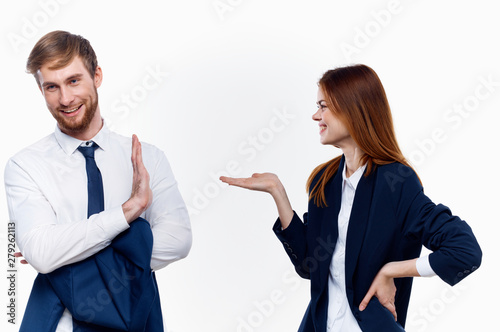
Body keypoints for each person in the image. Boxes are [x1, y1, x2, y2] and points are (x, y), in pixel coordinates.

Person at [220, 64, 482, 332]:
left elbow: (465, 252)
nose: (315, 115)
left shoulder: (396, 182)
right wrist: (278, 192)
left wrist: (390, 270)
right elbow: (309, 265)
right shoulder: (325, 180)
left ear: (353, 108)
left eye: (323, 106)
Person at [4, 30, 192, 331]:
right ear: (41, 91)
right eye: (51, 87)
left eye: (74, 81)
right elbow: (41, 253)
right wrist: (128, 213)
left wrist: (64, 253)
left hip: (136, 320)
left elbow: (178, 241)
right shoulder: (24, 166)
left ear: (97, 76)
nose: (65, 98)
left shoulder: (148, 158)